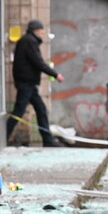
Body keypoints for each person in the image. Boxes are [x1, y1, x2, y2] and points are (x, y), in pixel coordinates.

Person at [6, 19, 64, 147]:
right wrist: (55, 74)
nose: (43, 33)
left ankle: (47, 139)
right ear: (36, 30)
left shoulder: (27, 41)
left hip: (28, 83)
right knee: (19, 111)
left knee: (40, 109)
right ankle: (3, 136)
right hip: (26, 83)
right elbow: (38, 62)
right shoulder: (29, 42)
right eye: (42, 31)